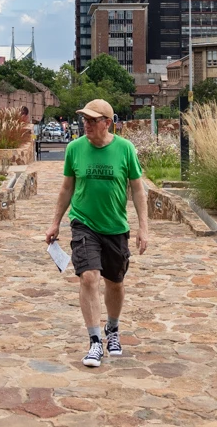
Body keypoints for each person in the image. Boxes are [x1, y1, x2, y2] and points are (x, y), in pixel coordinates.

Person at [44, 98, 149, 367]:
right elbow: (67, 188)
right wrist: (55, 222)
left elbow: (138, 189)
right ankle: (94, 342)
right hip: (83, 223)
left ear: (107, 123)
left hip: (115, 226)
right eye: (85, 119)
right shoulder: (75, 148)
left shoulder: (125, 149)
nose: (86, 124)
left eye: (92, 120)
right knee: (89, 277)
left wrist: (143, 227)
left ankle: (112, 329)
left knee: (115, 283)